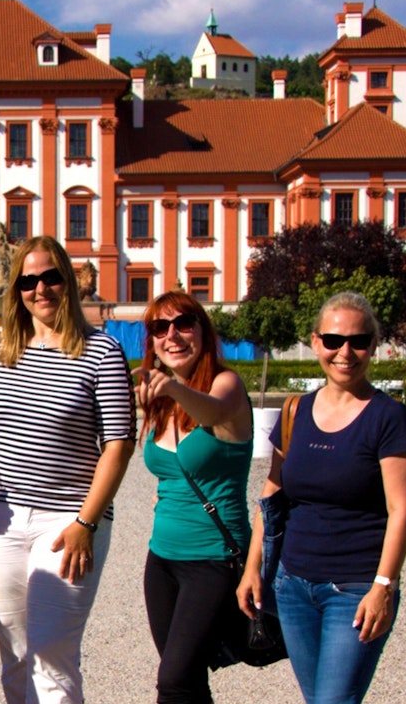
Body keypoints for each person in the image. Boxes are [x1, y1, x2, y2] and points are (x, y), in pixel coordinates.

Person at [0, 236, 136, 704]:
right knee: (15, 654)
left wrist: (86, 522)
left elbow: (119, 443)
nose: (41, 288)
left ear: (67, 280)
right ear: (16, 289)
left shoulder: (102, 350)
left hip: (66, 520)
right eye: (28, 280)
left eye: (51, 276)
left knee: (52, 654)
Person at [237, 292, 406, 704]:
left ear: (374, 344)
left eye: (358, 341)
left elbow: (401, 509)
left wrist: (383, 587)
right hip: (293, 586)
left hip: (356, 589)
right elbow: (272, 492)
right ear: (316, 341)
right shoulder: (295, 411)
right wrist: (253, 568)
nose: (345, 352)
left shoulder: (388, 417)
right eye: (334, 340)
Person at [135, 291, 254, 703]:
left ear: (203, 330)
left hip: (214, 560)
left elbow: (213, 413)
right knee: (187, 681)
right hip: (162, 559)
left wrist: (170, 388)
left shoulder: (226, 384)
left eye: (184, 323)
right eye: (159, 328)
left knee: (173, 681)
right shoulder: (162, 404)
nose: (172, 335)